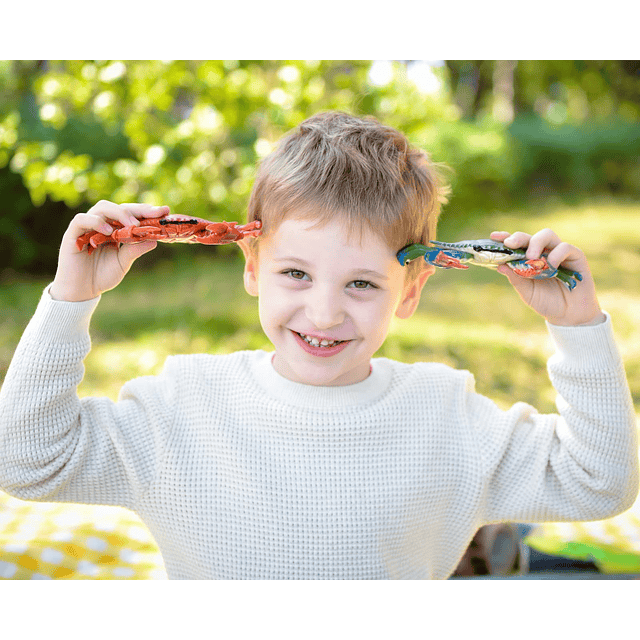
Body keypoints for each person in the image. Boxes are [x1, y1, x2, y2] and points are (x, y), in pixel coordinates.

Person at [0, 111, 637, 580]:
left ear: (409, 291)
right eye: (295, 273)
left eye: (362, 283)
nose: (325, 311)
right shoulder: (181, 406)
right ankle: (496, 555)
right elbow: (25, 461)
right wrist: (70, 299)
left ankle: (498, 555)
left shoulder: (447, 414)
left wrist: (577, 327)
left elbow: (601, 483)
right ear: (252, 265)